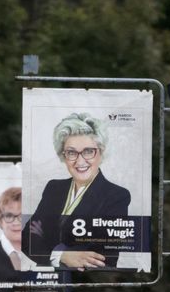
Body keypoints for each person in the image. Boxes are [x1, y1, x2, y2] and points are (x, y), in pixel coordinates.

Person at [25, 113, 131, 270]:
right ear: (63, 155)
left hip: (89, 284)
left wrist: (47, 242)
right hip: (51, 281)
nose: (80, 161)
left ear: (101, 153)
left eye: (88, 151)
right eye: (72, 152)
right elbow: (27, 240)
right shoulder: (53, 188)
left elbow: (100, 255)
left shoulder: (117, 196)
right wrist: (63, 255)